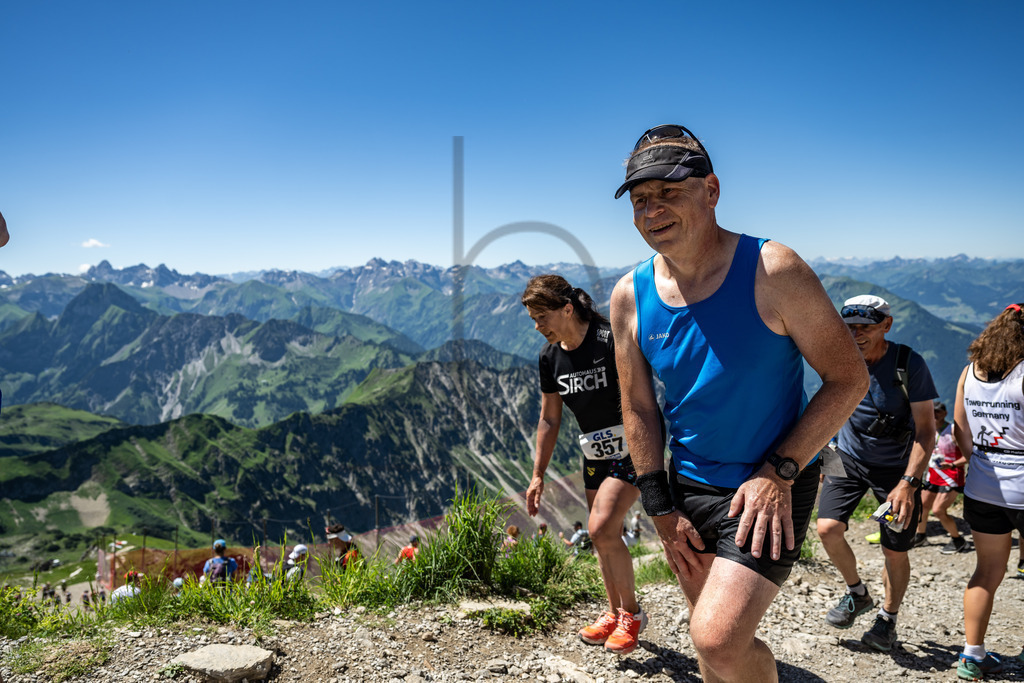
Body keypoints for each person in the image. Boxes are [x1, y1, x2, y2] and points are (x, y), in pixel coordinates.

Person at [610, 123, 868, 681]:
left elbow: (849, 379)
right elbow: (638, 407)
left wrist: (779, 471)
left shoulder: (773, 270)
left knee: (718, 639)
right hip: (688, 487)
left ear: (712, 190)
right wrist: (658, 504)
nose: (652, 211)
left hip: (773, 481)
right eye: (640, 200)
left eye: (669, 193)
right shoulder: (630, 296)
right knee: (712, 644)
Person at [522, 274, 646, 655]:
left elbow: (640, 395)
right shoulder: (549, 358)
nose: (538, 327)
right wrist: (537, 474)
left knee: (603, 527)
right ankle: (612, 612)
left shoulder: (609, 338)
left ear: (568, 308)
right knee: (599, 537)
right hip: (593, 455)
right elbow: (549, 419)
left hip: (632, 448)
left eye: (542, 317)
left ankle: (632, 616)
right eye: (534, 320)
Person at [817, 295, 938, 652]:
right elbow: (829, 407)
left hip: (897, 472)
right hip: (849, 459)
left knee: (894, 551)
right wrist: (824, 455)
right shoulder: (841, 357)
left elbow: (927, 431)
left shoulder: (908, 364)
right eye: (850, 327)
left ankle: (888, 619)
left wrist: (908, 484)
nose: (856, 334)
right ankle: (857, 594)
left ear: (886, 325)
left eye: (865, 328)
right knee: (827, 528)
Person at [951, 302, 1024, 679]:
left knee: (986, 571)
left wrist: (977, 463)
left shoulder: (969, 372)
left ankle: (972, 655)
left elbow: (959, 430)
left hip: (983, 485)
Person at [913, 401, 970, 553]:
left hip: (952, 477)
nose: (934, 415)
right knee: (922, 505)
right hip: (934, 476)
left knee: (938, 510)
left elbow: (969, 456)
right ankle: (921, 535)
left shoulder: (953, 431)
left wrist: (952, 465)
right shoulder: (929, 430)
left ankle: (958, 540)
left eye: (938, 412)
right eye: (932, 412)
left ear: (945, 414)